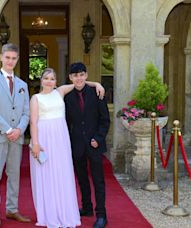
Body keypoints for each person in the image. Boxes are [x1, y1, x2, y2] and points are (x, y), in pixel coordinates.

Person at [29, 68, 105, 228]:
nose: (49, 81)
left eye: (52, 79)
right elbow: (33, 122)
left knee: (62, 173)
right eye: (46, 78)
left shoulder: (61, 92)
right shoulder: (35, 98)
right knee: (48, 174)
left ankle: (64, 209)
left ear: (56, 81)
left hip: (61, 140)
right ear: (41, 80)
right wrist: (35, 143)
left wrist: (97, 83)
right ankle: (51, 212)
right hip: (44, 138)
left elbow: (80, 83)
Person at [0, 43, 31, 227]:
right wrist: (8, 129)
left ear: (17, 60)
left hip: (17, 137)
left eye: (14, 58)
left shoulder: (23, 85)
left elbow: (26, 112)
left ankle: (12, 209)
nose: (10, 61)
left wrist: (19, 129)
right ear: (1, 57)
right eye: (7, 57)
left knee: (14, 174)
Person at [64, 62, 110, 228]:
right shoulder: (66, 97)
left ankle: (101, 215)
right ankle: (87, 207)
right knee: (82, 178)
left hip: (95, 144)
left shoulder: (97, 93)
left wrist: (98, 138)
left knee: (98, 180)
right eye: (75, 75)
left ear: (86, 75)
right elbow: (66, 122)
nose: (79, 78)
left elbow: (105, 120)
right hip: (76, 144)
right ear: (70, 77)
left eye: (82, 74)